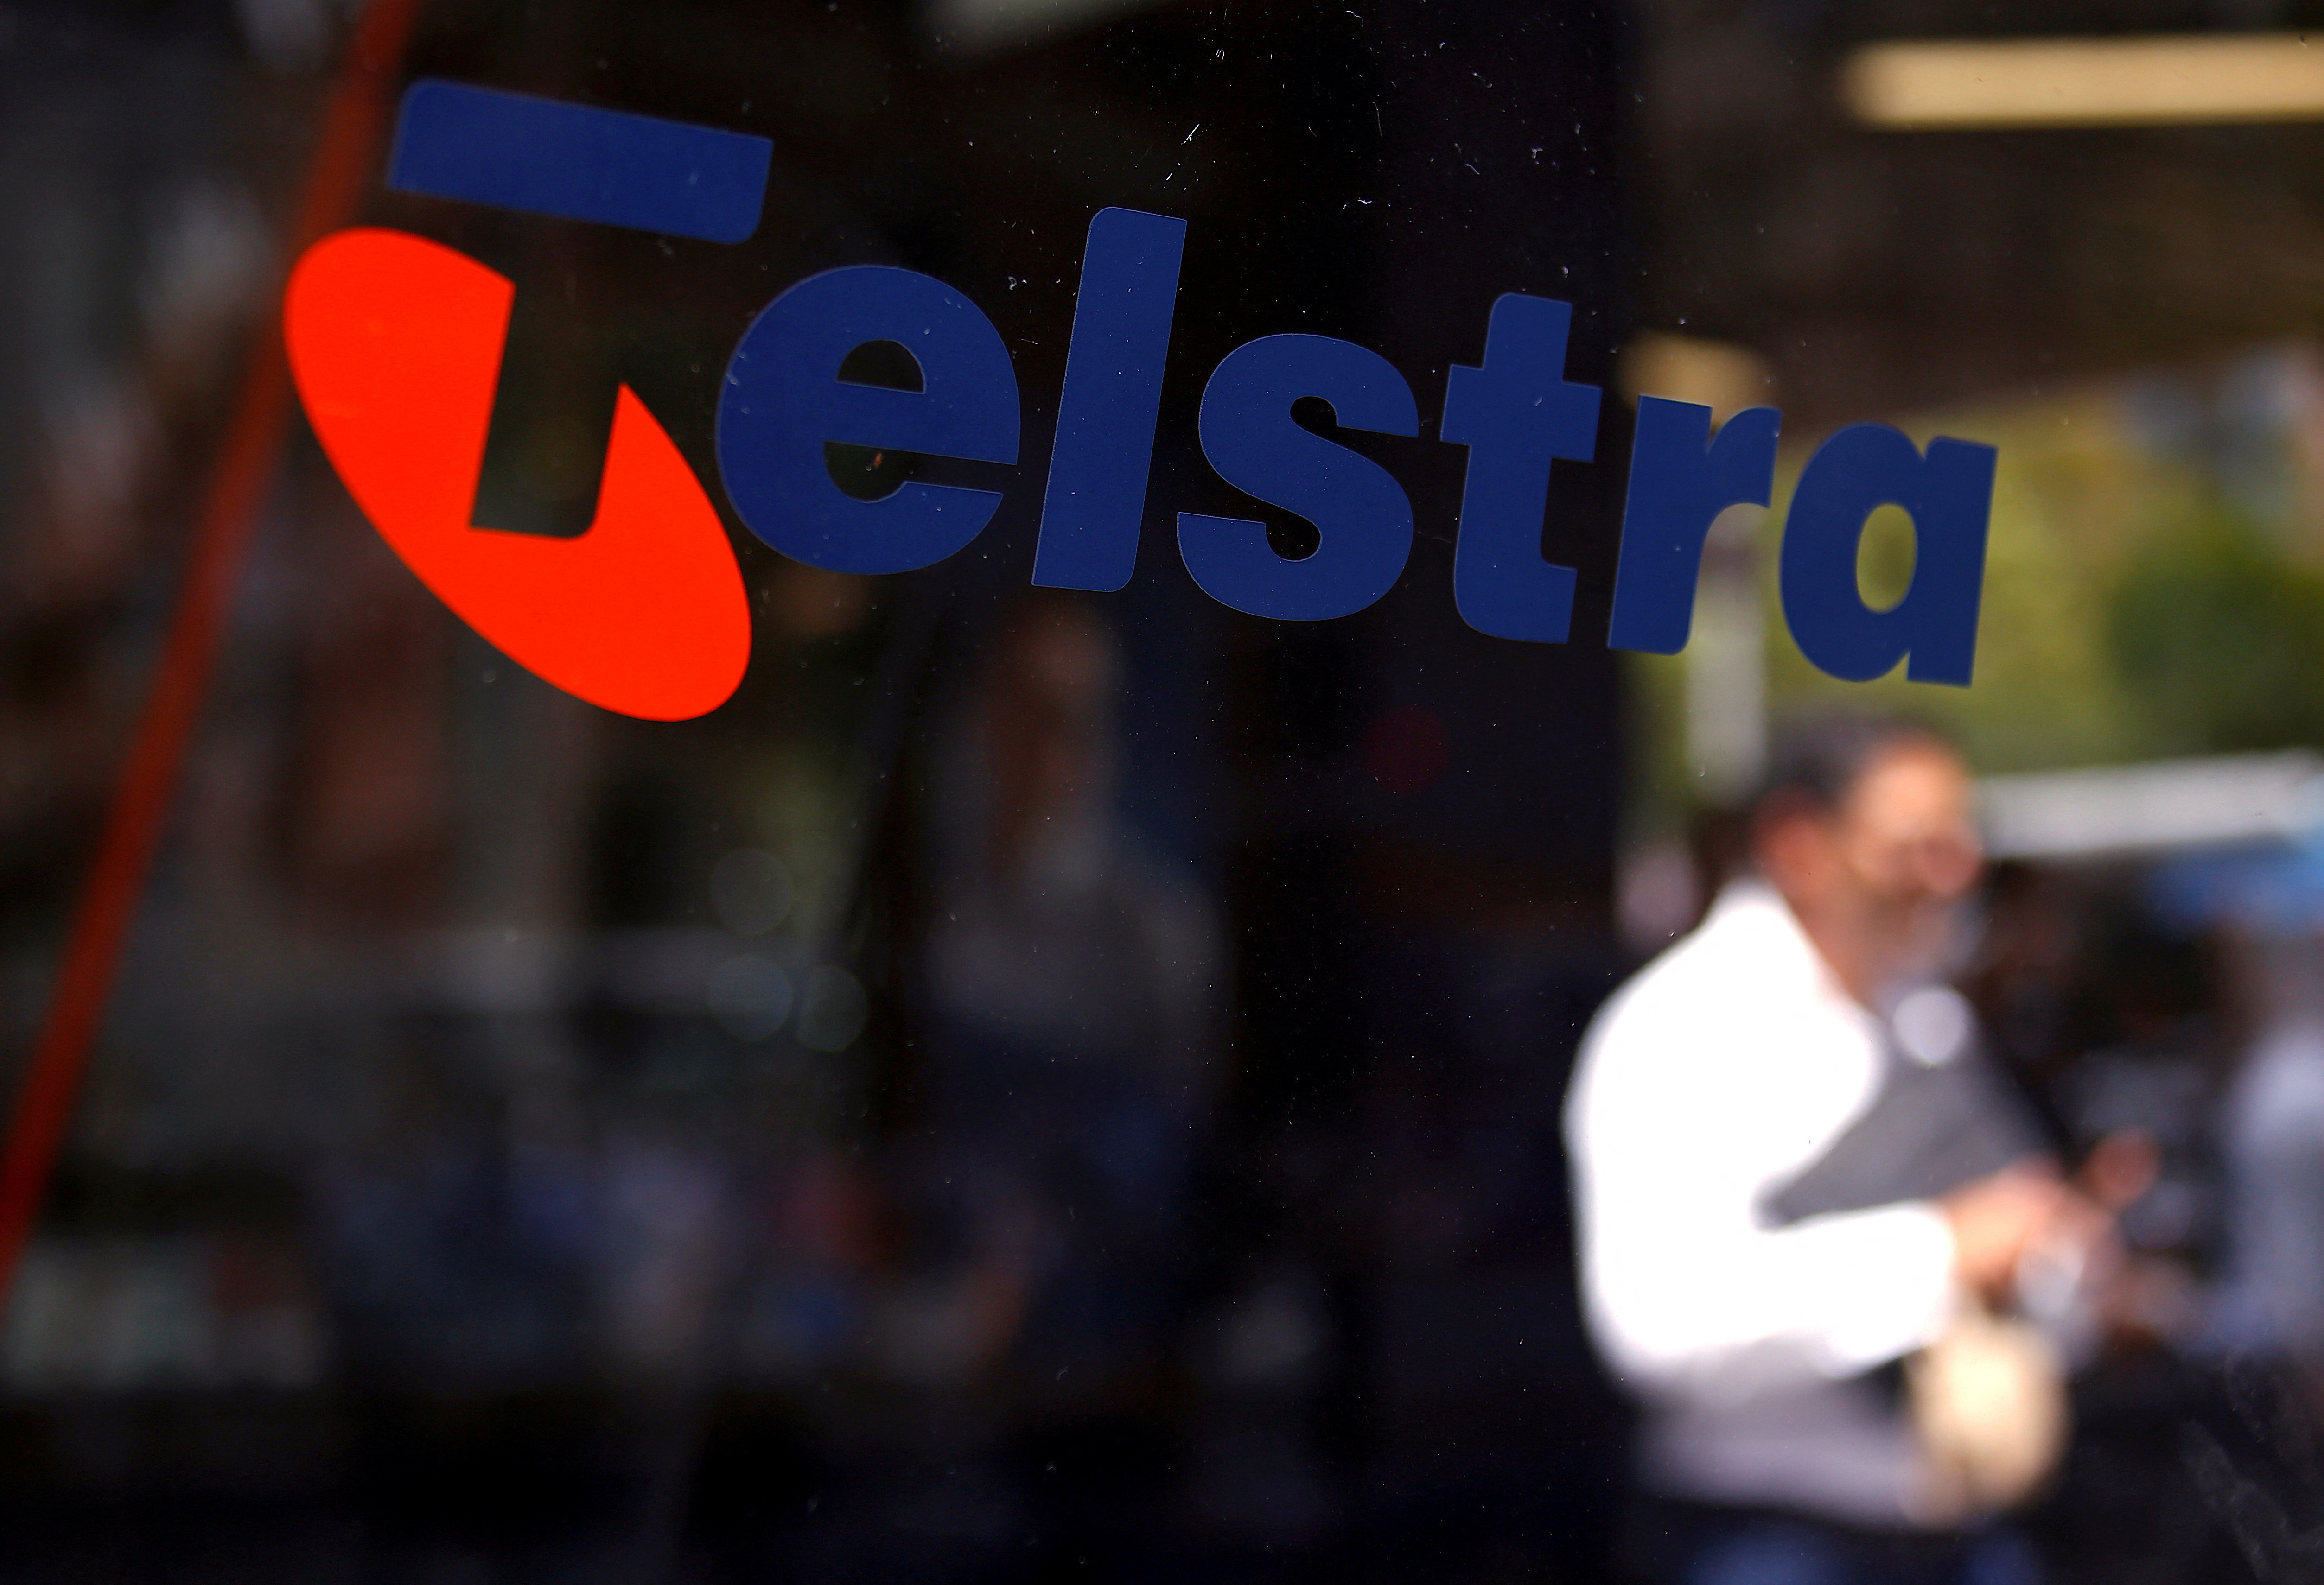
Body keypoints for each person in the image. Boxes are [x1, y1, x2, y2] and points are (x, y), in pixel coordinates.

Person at [1565, 712, 2102, 1585]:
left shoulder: (1926, 1017)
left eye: (1959, 842)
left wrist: (2063, 1261)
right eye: (1912, 845)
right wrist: (1940, 1249)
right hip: (1774, 1544)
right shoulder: (1677, 1028)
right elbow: (1656, 1325)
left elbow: (2012, 1245)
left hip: (1966, 1534)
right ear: (1797, 842)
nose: (1951, 874)